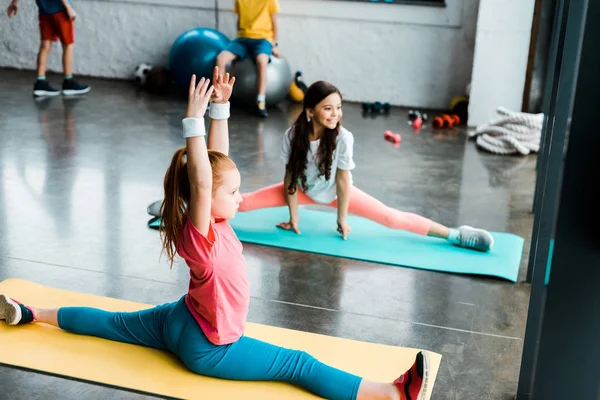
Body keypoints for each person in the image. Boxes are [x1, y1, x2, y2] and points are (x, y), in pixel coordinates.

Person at [0, 68, 430, 400]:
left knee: (114, 323)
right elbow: (206, 181)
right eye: (236, 192)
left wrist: (219, 109)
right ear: (206, 196)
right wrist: (193, 121)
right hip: (208, 348)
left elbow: (215, 167)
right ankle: (390, 393)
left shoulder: (213, 220)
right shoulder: (200, 232)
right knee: (298, 364)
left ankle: (32, 311)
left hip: (181, 318)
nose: (243, 198)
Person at [238, 81, 495, 252]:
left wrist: (342, 217)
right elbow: (290, 180)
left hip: (336, 191)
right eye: (327, 108)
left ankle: (456, 235)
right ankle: (201, 211)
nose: (335, 114)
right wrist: (293, 218)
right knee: (245, 203)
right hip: (302, 189)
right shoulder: (293, 136)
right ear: (310, 111)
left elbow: (342, 181)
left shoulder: (343, 138)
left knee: (391, 218)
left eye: (338, 108)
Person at [6, 0, 90, 97]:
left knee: (45, 46)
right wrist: (68, 7)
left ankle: (40, 82)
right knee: (68, 45)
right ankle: (68, 82)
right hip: (60, 9)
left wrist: (14, 3)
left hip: (44, 11)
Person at [216, 0, 280, 118]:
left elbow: (274, 22)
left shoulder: (269, 1)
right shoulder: (240, 1)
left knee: (262, 61)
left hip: (263, 39)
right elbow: (239, 21)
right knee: (221, 59)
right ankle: (217, 97)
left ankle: (260, 101)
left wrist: (275, 45)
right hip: (243, 39)